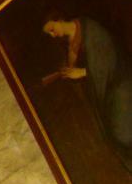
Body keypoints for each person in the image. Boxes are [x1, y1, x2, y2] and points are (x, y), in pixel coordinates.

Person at [43, 14, 132, 171]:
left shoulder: (92, 31)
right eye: (49, 33)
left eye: (51, 29)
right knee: (116, 135)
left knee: (124, 134)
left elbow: (109, 61)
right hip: (104, 94)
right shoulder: (71, 43)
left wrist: (82, 72)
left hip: (120, 86)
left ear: (59, 18)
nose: (52, 34)